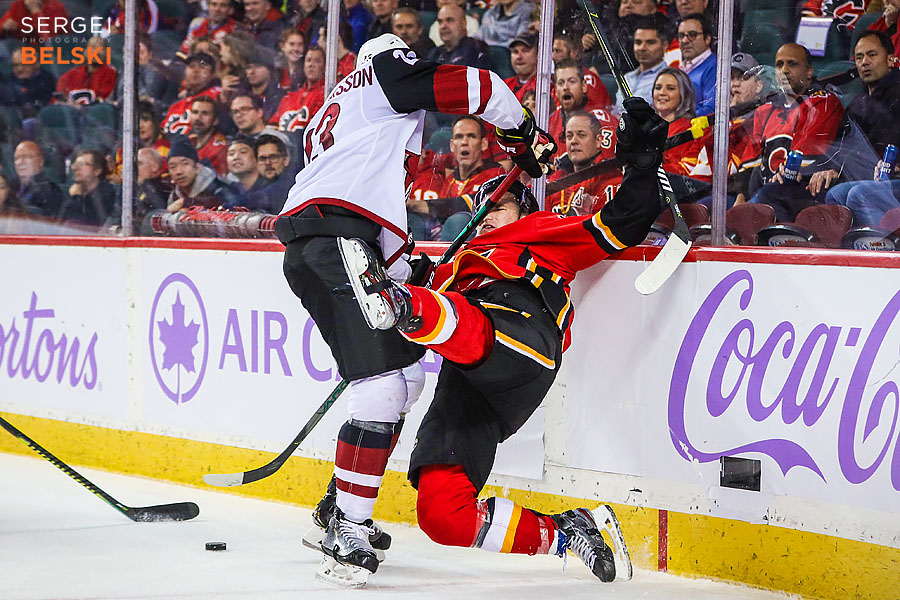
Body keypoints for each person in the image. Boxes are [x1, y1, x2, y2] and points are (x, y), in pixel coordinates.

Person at [335, 95, 667, 585]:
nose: (485, 213)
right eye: (479, 207)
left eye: (499, 204)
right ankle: (569, 530)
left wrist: (642, 164)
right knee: (442, 516)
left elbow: (624, 223)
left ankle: (402, 305)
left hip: (521, 341)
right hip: (468, 386)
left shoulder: (540, 232)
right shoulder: (453, 267)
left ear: (525, 207)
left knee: (456, 322)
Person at [274, 33, 556, 587]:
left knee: (404, 376)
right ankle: (349, 528)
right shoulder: (378, 81)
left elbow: (371, 217)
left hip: (319, 246)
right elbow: (477, 85)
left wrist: (413, 277)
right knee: (381, 386)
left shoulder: (335, 120)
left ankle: (339, 506)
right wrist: (520, 131)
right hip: (338, 242)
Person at [744, 43, 847, 222]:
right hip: (769, 188)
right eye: (779, 65)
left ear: (808, 71)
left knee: (762, 202)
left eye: (792, 64)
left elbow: (802, 161)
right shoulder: (764, 111)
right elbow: (752, 164)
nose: (784, 70)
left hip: (807, 187)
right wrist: (740, 195)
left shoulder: (822, 102)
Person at [825, 30, 900, 225]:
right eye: (859, 57)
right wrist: (832, 169)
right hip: (871, 178)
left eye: (872, 55)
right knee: (835, 195)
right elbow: (842, 146)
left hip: (894, 179)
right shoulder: (857, 103)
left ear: (891, 60)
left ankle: (882, 249)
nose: (864, 62)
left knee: (859, 194)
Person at [435, 116, 506, 240]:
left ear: (483, 143)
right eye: (459, 137)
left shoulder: (496, 174)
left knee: (459, 221)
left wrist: (420, 205)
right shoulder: (450, 180)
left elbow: (468, 205)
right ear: (452, 145)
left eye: (471, 136)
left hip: (484, 244)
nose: (464, 142)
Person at [547, 110, 622, 215]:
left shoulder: (610, 178)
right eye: (569, 136)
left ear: (598, 140)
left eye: (581, 135)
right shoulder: (557, 177)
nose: (574, 141)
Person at [549, 59, 614, 161]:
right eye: (561, 83)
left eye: (572, 81)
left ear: (584, 86)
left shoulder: (602, 122)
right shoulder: (549, 122)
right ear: (555, 90)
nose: (566, 87)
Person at [166, 137, 242, 211]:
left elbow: (232, 206)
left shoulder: (218, 187)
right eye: (173, 167)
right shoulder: (175, 195)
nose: (179, 171)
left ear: (197, 167)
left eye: (185, 164)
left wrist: (186, 202)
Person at [616, 15, 670, 112]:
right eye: (638, 42)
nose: (642, 48)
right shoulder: (627, 78)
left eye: (650, 42)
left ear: (665, 45)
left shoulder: (670, 79)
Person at [162, 52, 222, 136]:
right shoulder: (176, 106)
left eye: (202, 66)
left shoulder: (218, 95)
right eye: (191, 66)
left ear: (213, 74)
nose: (195, 70)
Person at [58, 149, 121, 227]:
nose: (75, 168)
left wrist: (77, 198)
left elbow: (97, 225)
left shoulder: (112, 195)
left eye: (82, 164)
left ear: (97, 171)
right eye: (75, 164)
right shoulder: (72, 196)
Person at [271, 46, 326, 133]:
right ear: (303, 65)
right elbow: (273, 125)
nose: (311, 65)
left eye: (317, 61)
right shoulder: (289, 97)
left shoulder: (325, 95)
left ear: (325, 67)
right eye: (308, 60)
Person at [674, 13, 716, 116]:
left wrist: (676, 120)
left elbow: (711, 110)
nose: (684, 41)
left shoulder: (715, 67)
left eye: (692, 35)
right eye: (681, 36)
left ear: (707, 39)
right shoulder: (678, 69)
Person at [55, 37, 118, 105]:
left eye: (101, 48)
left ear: (107, 53)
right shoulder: (70, 76)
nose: (96, 52)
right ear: (85, 52)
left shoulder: (112, 75)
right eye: (93, 47)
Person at [428, 2, 492, 69]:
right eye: (440, 22)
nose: (443, 26)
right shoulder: (434, 54)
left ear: (464, 24)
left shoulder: (476, 50)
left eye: (450, 20)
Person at [13, 141, 64, 217]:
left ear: (41, 162)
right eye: (17, 158)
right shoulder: (9, 187)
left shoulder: (51, 192)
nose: (20, 162)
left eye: (27, 157)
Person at [8, 47, 56, 116]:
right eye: (16, 65)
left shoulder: (47, 80)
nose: (19, 69)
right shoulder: (8, 80)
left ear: (37, 64)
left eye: (25, 64)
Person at [189, 95, 229, 176]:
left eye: (205, 113)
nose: (198, 118)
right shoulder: (186, 142)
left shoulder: (221, 148)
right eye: (195, 112)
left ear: (215, 121)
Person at [505, 32, 537, 102]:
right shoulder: (505, 86)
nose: (519, 57)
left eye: (525, 51)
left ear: (537, 55)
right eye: (515, 51)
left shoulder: (544, 86)